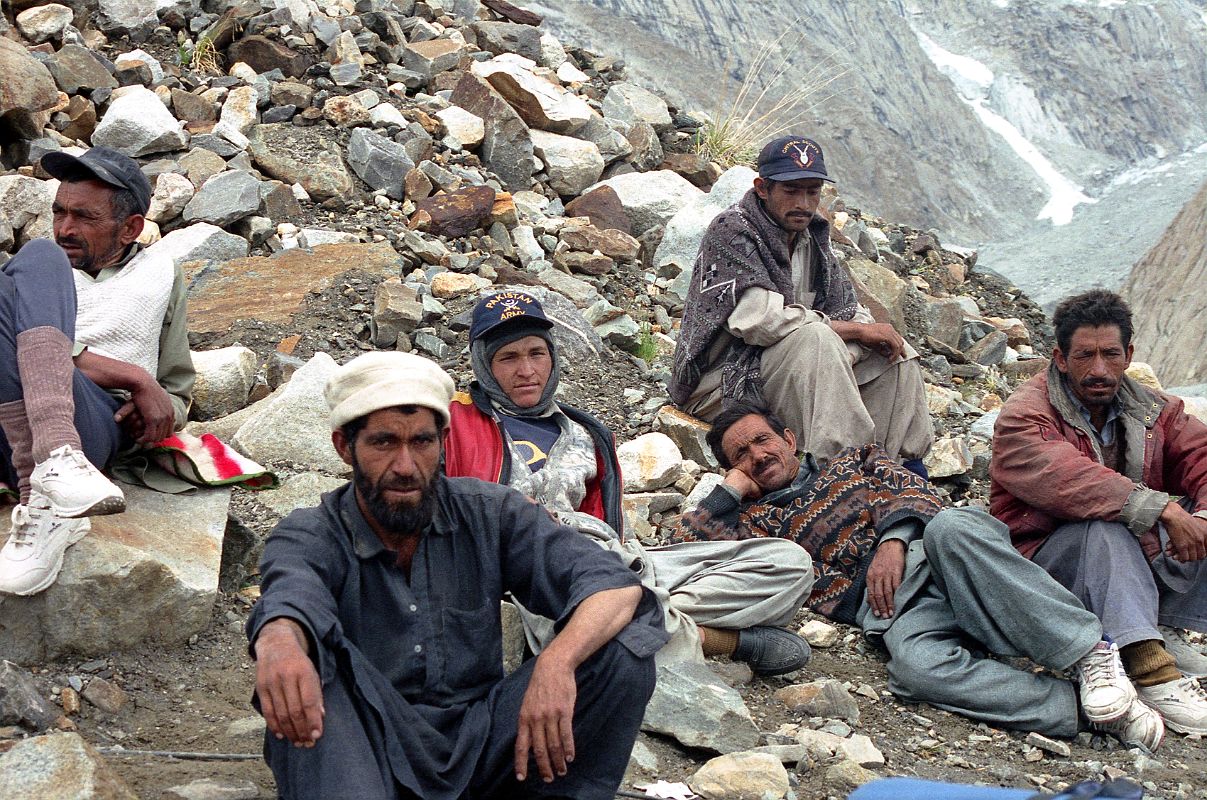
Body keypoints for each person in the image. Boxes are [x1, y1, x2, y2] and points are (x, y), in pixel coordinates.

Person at [247, 351, 666, 800]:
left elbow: (615, 586)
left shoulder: (489, 512)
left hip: (480, 742)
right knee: (308, 667)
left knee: (621, 649)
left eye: (422, 443)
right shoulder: (313, 530)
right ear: (344, 447)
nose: (406, 466)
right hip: (368, 743)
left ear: (443, 440)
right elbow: (289, 597)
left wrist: (556, 662)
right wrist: (279, 646)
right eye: (384, 443)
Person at [669, 403, 1164, 750]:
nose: (757, 455)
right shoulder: (756, 525)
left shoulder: (853, 460)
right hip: (892, 609)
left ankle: (1087, 653)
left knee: (952, 526)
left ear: (789, 439)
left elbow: (915, 487)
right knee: (914, 671)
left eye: (762, 439)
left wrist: (895, 538)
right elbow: (683, 553)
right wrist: (728, 492)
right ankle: (1090, 710)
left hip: (942, 554)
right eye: (740, 455)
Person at [444, 290, 814, 674]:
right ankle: (720, 640)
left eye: (537, 353)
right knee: (568, 620)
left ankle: (626, 620)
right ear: (484, 364)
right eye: (508, 358)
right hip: (531, 577)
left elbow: (608, 530)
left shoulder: (585, 432)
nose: (527, 371)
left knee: (789, 563)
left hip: (610, 562)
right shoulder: (452, 422)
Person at [991, 289, 1207, 737]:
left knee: (1198, 515)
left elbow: (1201, 455)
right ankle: (1152, 673)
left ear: (1128, 355)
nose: (1099, 370)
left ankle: (1157, 628)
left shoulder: (1151, 408)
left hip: (1126, 560)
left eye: (1110, 354)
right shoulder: (1024, 415)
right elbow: (1069, 480)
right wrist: (1162, 510)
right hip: (1045, 565)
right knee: (1103, 529)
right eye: (1085, 356)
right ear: (1060, 357)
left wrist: (1199, 516)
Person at [669, 135, 933, 471]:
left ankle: (903, 469)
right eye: (791, 191)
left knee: (893, 350)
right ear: (763, 188)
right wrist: (850, 335)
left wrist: (858, 340)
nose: (804, 203)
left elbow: (848, 307)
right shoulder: (733, 230)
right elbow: (760, 322)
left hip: (792, 367)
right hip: (719, 383)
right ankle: (839, 473)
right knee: (818, 340)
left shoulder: (811, 235)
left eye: (812, 191)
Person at [0, 147, 194, 596]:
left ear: (130, 228)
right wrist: (130, 375)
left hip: (93, 425)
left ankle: (51, 496)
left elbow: (176, 389)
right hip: (12, 427)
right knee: (39, 257)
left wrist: (156, 404)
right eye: (59, 212)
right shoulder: (36, 272)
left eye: (84, 217)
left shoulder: (160, 273)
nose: (65, 228)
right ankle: (50, 463)